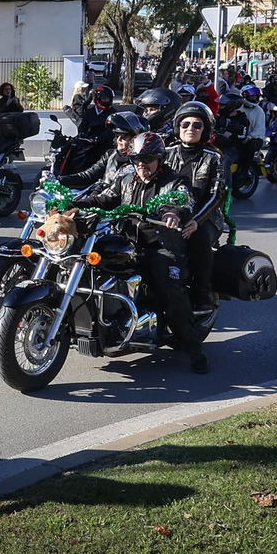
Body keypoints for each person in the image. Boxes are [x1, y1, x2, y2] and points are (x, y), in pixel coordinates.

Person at [78, 132, 207, 374]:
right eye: (136, 159)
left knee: (171, 291)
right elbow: (105, 199)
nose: (141, 165)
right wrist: (73, 204)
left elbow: (184, 201)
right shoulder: (126, 179)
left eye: (146, 159)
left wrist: (173, 214)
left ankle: (194, 349)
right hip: (127, 242)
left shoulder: (174, 181)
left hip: (162, 245)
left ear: (158, 158)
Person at [165, 102, 225, 314]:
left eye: (197, 125)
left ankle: (203, 292)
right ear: (177, 128)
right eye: (185, 124)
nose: (190, 128)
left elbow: (216, 195)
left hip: (206, 217)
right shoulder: (166, 153)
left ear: (205, 130)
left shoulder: (213, 158)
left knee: (199, 241)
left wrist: (196, 222)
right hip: (171, 213)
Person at [59, 110, 144, 191]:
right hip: (100, 198)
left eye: (124, 137)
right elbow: (89, 175)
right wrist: (60, 180)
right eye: (117, 135)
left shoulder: (141, 161)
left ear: (135, 138)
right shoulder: (110, 155)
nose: (119, 140)